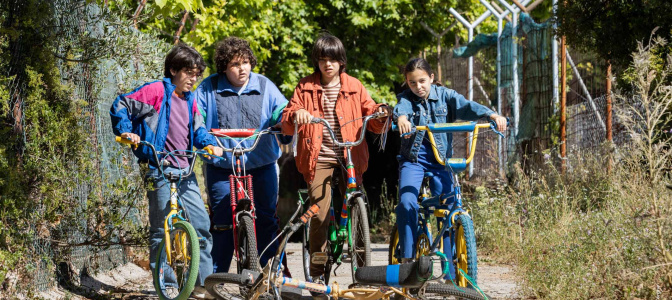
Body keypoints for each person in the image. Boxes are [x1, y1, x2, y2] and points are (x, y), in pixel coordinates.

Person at [110, 43, 222, 299]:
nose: (194, 79)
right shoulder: (156, 91)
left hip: (186, 169)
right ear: (173, 69)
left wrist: (210, 145)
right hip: (158, 168)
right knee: (162, 228)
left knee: (201, 226)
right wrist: (126, 131)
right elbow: (121, 104)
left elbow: (198, 131)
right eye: (189, 73)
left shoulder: (191, 99)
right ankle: (168, 283)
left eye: (197, 75)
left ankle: (202, 284)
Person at [281, 33, 390, 288]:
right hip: (318, 157)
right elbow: (288, 118)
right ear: (316, 63)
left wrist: (381, 112)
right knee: (318, 212)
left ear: (342, 61)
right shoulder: (305, 86)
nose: (327, 64)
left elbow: (371, 115)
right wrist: (298, 114)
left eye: (332, 59)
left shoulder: (354, 85)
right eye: (322, 60)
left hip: (349, 154)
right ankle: (318, 270)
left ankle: (364, 273)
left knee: (358, 207)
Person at [393, 57, 507, 279]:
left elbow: (467, 106)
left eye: (423, 81)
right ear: (407, 83)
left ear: (432, 78)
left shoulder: (446, 96)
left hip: (441, 161)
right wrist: (403, 119)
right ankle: (407, 260)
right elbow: (401, 110)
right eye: (412, 83)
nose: (418, 87)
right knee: (407, 202)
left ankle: (450, 270)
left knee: (450, 206)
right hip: (414, 159)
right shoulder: (406, 98)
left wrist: (492, 115)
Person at [196, 37, 290, 273]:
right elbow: (195, 118)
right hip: (222, 164)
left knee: (267, 218)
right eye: (236, 64)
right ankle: (216, 277)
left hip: (261, 163)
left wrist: (283, 121)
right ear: (224, 67)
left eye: (246, 62)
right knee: (222, 221)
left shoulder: (265, 85)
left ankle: (272, 273)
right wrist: (206, 141)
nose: (243, 69)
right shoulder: (208, 88)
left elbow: (282, 110)